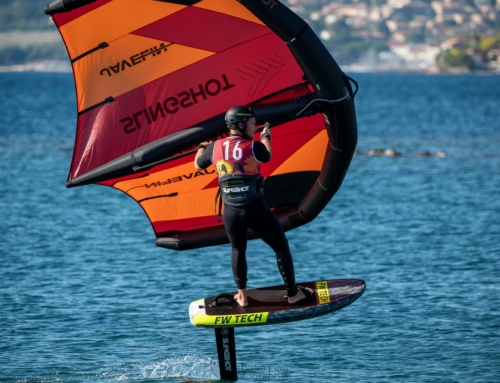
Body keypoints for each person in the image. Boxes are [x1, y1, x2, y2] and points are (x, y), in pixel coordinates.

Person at [194, 106, 313, 307]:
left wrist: (201, 146)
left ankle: (242, 297)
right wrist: (266, 135)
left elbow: (198, 164)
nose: (255, 126)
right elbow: (266, 154)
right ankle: (293, 294)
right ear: (240, 125)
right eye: (252, 123)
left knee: (238, 248)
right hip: (254, 209)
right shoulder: (252, 147)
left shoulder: (215, 147)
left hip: (230, 211)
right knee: (281, 246)